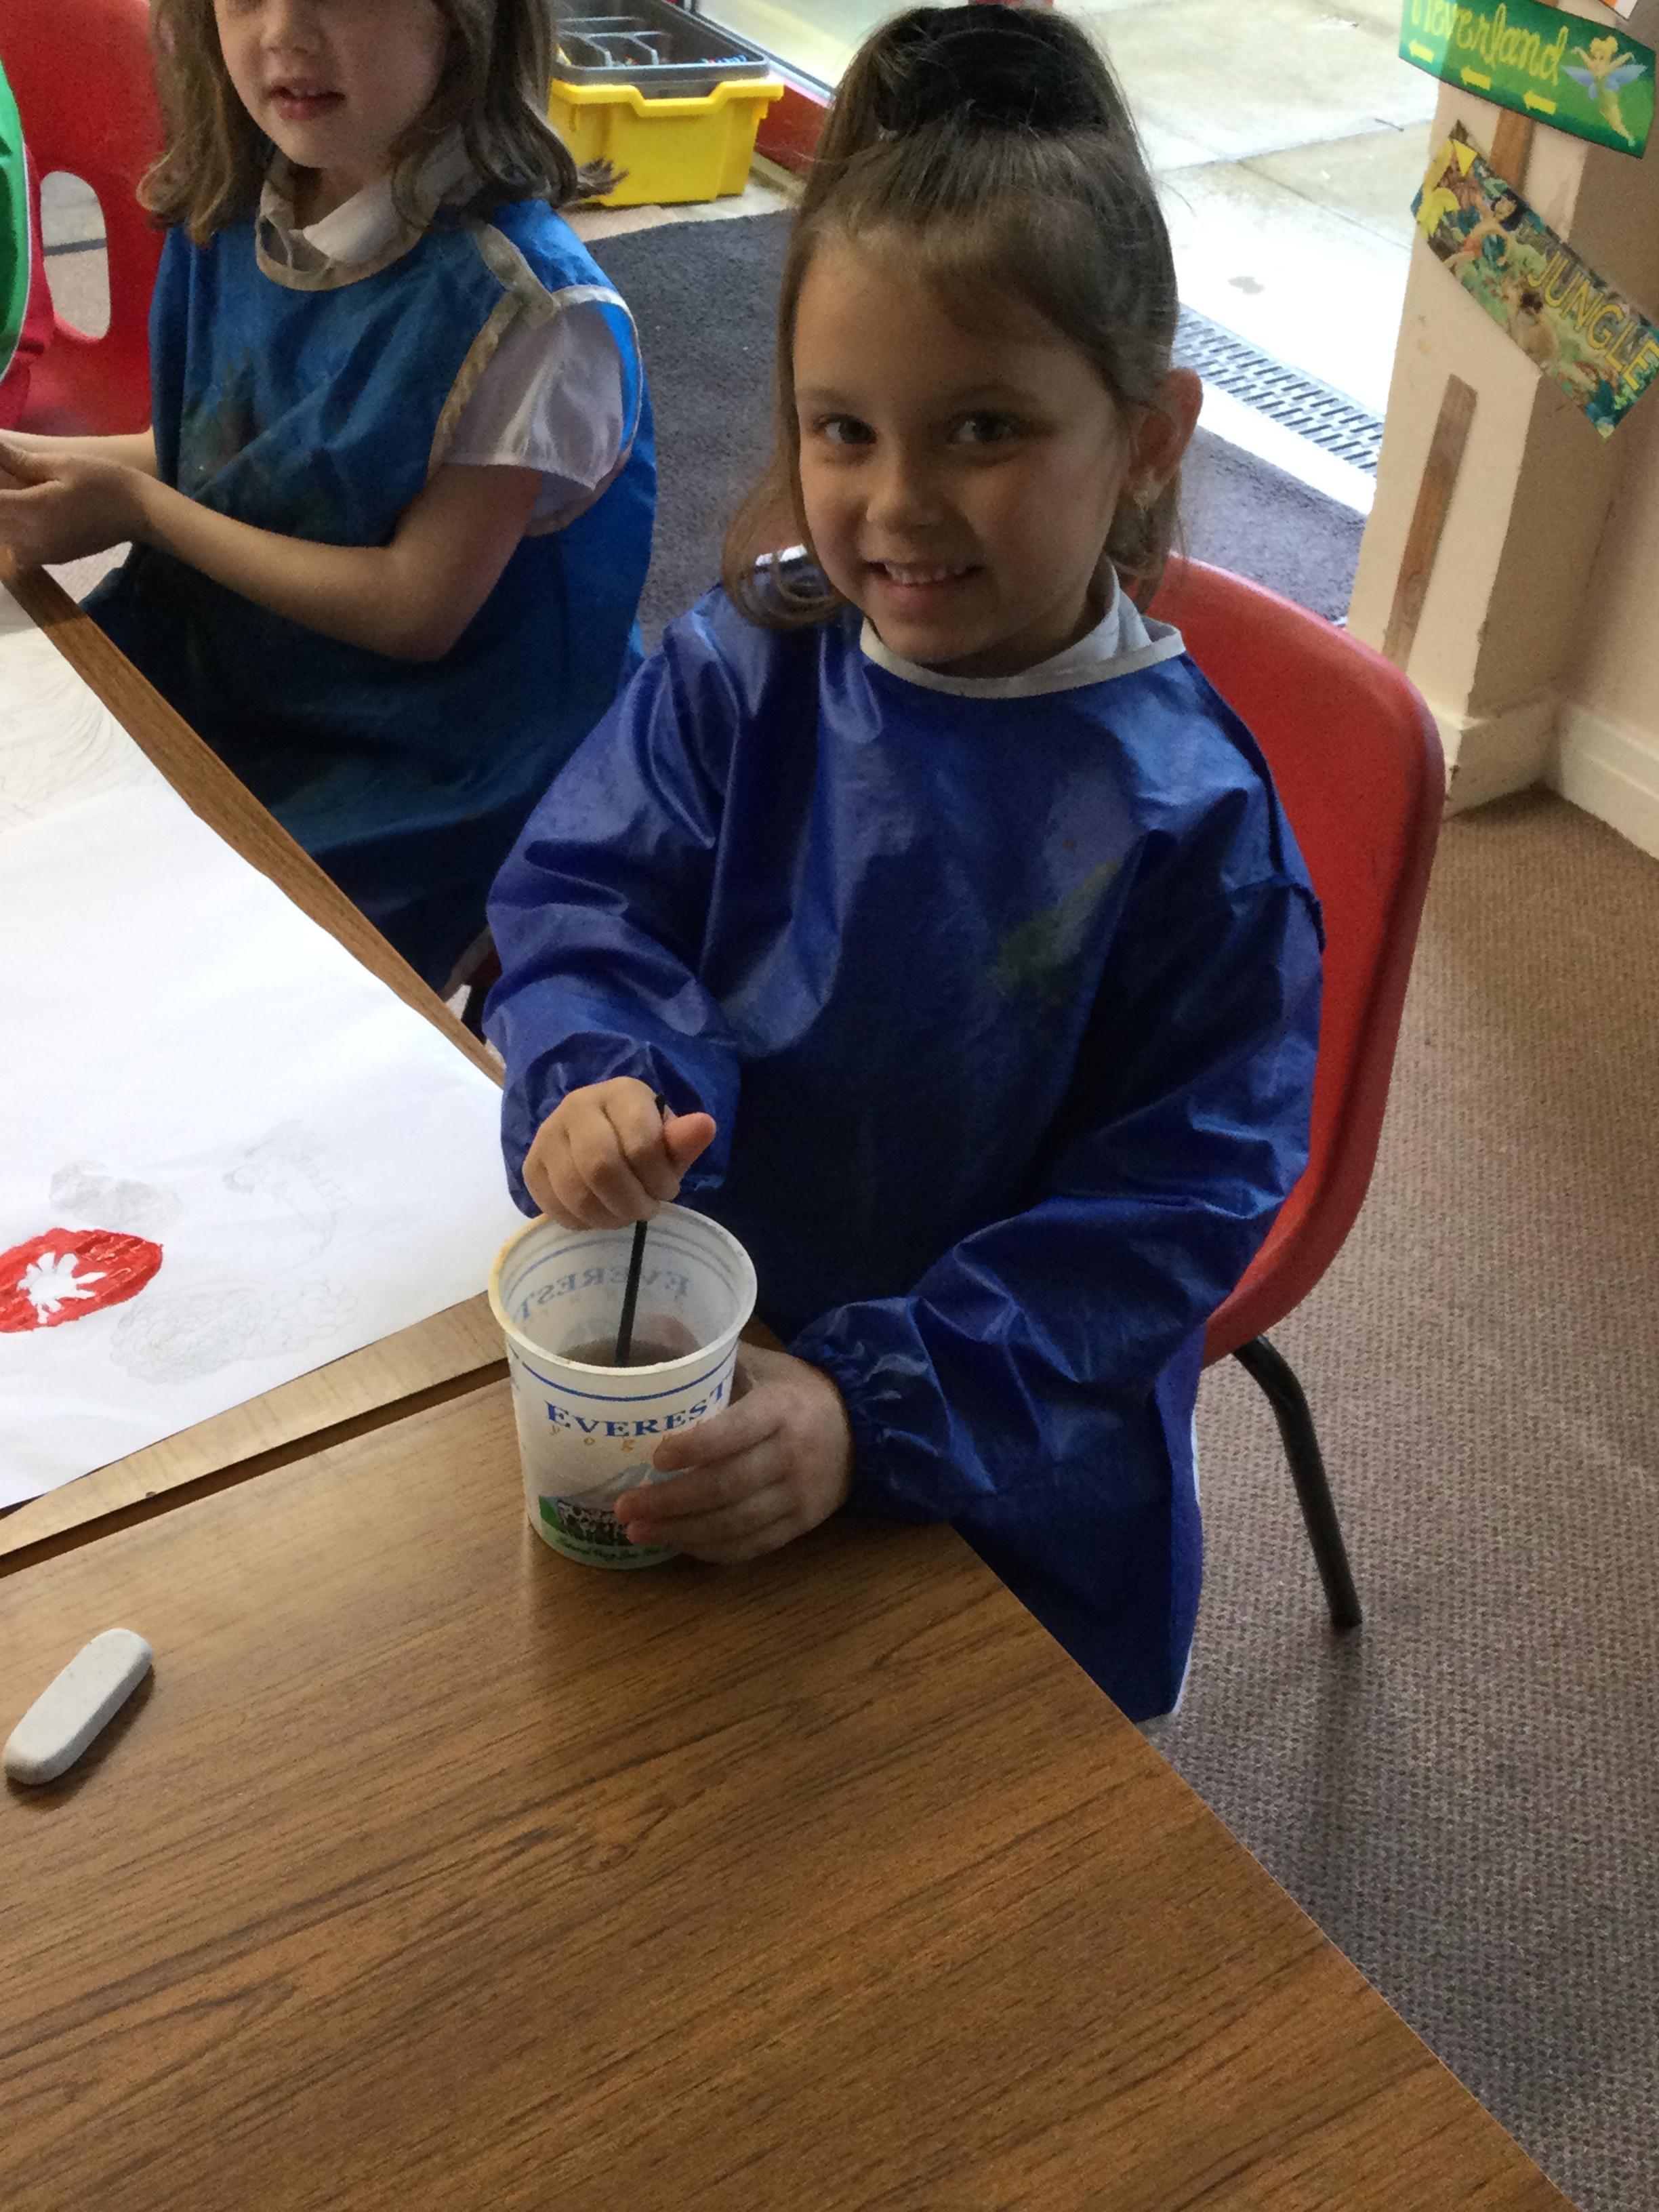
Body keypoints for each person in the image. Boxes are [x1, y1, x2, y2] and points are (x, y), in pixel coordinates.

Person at [484, 5, 1322, 1723]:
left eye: (985, 429)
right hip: (700, 1374)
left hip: (990, 1465)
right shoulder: (750, 665)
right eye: (844, 429)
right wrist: (599, 1080)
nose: (898, 503)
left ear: (1149, 436)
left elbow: (1167, 1214)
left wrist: (873, 1409)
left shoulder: (1193, 827)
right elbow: (588, 897)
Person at [0, 0, 655, 989]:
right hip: (236, 662)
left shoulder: (534, 313)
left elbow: (413, 611)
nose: (284, 33)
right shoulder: (238, 199)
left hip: (428, 756)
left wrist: (137, 512)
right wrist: (25, 458)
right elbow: (217, 454)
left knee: (182, 970)